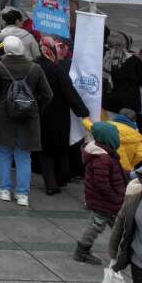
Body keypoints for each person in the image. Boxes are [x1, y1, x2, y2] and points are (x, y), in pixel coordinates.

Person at [0, 34, 53, 206]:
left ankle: (4, 189)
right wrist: (36, 108)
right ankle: (22, 194)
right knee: (24, 156)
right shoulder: (35, 68)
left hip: (4, 115)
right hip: (29, 117)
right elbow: (48, 94)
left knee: (4, 153)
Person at [35, 35, 89, 195]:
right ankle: (59, 180)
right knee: (60, 147)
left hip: (40, 113)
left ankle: (51, 182)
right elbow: (69, 93)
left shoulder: (34, 66)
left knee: (45, 150)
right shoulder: (57, 69)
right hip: (59, 114)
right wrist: (83, 112)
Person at [75, 121, 126, 264]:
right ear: (109, 139)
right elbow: (101, 183)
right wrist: (114, 196)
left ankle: (125, 251)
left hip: (109, 200)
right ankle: (82, 251)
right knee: (97, 225)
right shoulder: (102, 159)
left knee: (119, 225)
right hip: (104, 201)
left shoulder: (105, 154)